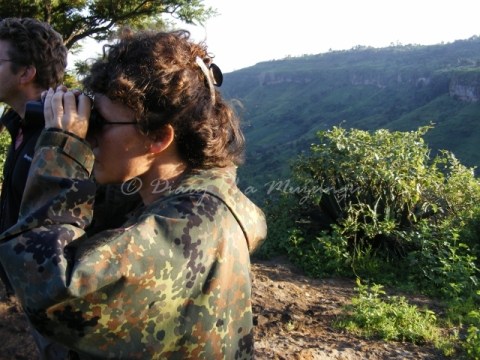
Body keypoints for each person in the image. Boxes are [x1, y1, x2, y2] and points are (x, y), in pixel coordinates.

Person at [0, 29, 267, 359]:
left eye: (101, 122)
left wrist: (63, 147)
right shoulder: (180, 198)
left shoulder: (193, 224)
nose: (90, 136)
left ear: (157, 138)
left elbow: (50, 291)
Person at [0, 17, 68, 299]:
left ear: (26, 72)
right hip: (22, 285)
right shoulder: (17, 123)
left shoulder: (62, 131)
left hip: (52, 295)